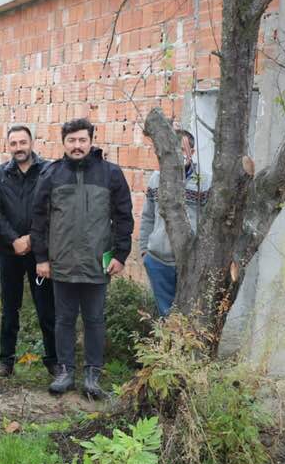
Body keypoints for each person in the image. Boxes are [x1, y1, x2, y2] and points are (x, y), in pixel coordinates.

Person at [31, 118, 134, 398]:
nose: (77, 146)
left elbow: (123, 218)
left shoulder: (111, 174)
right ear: (63, 143)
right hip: (61, 262)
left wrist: (121, 255)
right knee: (63, 319)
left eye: (82, 140)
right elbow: (38, 220)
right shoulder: (51, 175)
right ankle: (65, 372)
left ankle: (92, 375)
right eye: (72, 141)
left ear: (91, 140)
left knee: (94, 319)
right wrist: (41, 258)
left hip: (97, 263)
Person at [0, 125, 57, 377]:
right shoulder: (0, 174)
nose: (18, 148)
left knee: (47, 308)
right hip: (10, 252)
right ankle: (6, 360)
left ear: (31, 142)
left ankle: (53, 360)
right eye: (13, 143)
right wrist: (14, 239)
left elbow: (53, 208)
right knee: (9, 308)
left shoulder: (48, 170)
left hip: (40, 253)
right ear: (8, 146)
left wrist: (32, 238)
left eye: (22, 142)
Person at [139, 129, 210, 316]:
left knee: (188, 317)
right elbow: (147, 216)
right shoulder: (156, 179)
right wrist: (145, 251)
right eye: (171, 150)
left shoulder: (204, 182)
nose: (176, 156)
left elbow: (209, 224)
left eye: (180, 150)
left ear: (191, 153)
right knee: (165, 317)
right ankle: (166, 346)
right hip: (158, 261)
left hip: (189, 261)